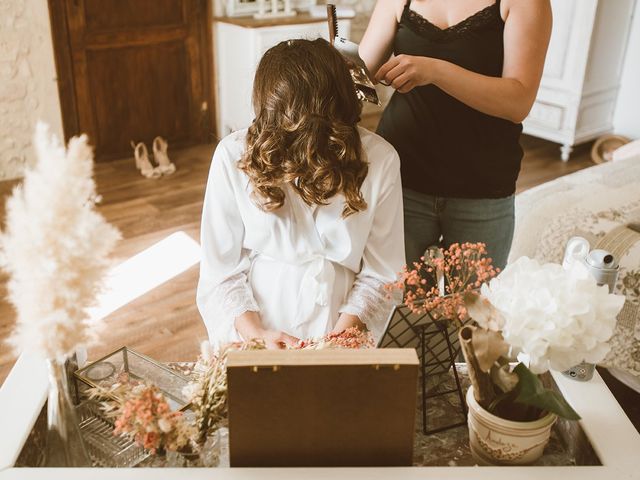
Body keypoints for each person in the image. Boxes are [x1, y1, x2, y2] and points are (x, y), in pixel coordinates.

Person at [197, 39, 404, 348]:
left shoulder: (380, 159)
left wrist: (338, 339)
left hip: (344, 319)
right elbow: (220, 271)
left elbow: (382, 272)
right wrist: (257, 336)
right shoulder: (232, 155)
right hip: (260, 319)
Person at [359, 0, 552, 268]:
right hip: (402, 175)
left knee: (472, 304)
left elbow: (519, 102)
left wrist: (436, 71)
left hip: (482, 186)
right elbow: (358, 73)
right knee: (396, 300)